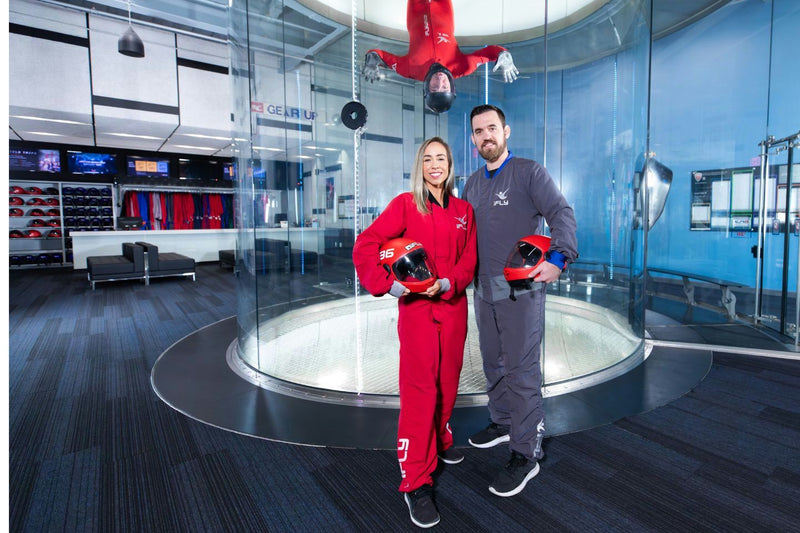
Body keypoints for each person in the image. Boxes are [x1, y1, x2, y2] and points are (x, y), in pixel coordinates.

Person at [352, 137, 477, 528]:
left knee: (448, 384)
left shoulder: (463, 210)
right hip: (418, 311)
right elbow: (366, 244)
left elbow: (468, 260)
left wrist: (450, 283)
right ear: (420, 165)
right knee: (421, 392)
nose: (435, 165)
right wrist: (385, 283)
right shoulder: (406, 205)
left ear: (450, 164)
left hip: (453, 307)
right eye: (428, 159)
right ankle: (416, 482)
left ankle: (440, 439)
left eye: (441, 158)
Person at [461, 104, 578, 497]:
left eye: (491, 128)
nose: (485, 136)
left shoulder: (529, 173)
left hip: (520, 292)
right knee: (491, 361)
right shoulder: (472, 184)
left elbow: (561, 211)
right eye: (478, 131)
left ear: (506, 131)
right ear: (474, 139)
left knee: (521, 370)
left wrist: (560, 257)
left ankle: (526, 453)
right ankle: (503, 420)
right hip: (482, 291)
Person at [363, 0, 518, 113]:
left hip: (415, 7)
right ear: (452, 86)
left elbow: (381, 56)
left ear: (426, 87)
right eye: (444, 87)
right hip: (443, 6)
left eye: (434, 87)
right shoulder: (462, 67)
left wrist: (372, 60)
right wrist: (503, 55)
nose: (440, 80)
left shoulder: (410, 70)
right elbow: (489, 53)